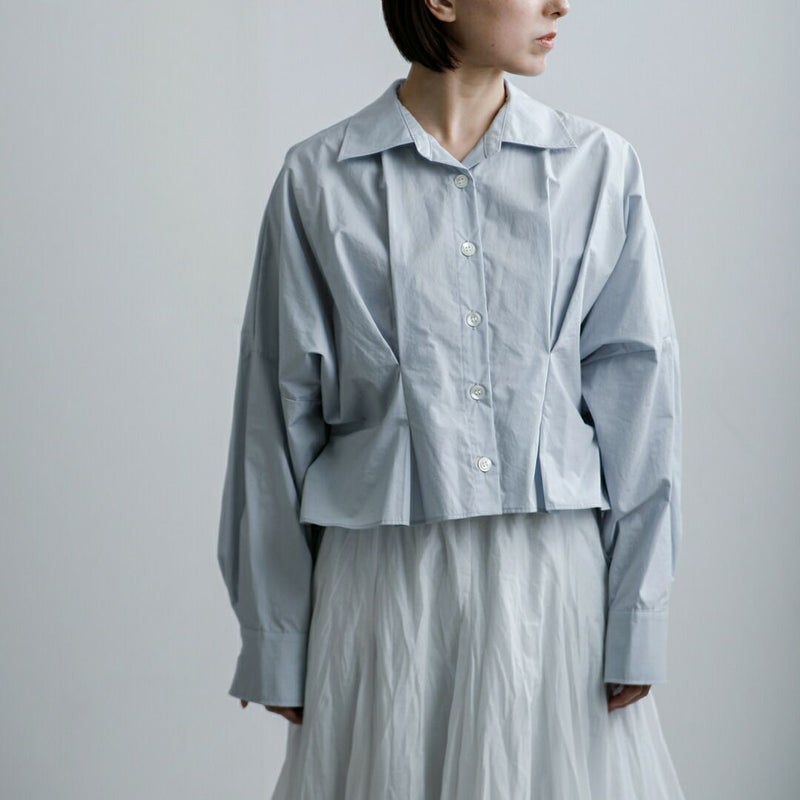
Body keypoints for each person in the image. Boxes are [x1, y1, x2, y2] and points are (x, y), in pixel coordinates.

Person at [217, 0, 687, 797]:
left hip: (551, 592)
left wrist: (637, 614)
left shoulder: (599, 168)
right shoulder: (319, 178)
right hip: (383, 596)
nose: (559, 4)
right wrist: (277, 635)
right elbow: (273, 420)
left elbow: (640, 405)